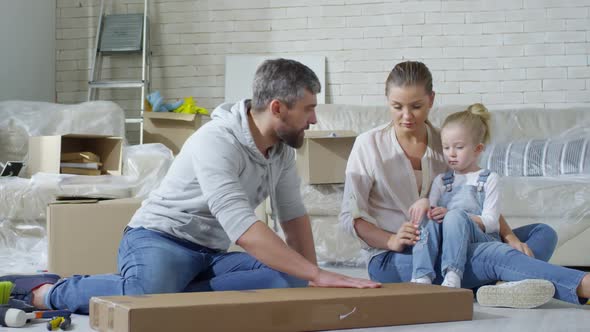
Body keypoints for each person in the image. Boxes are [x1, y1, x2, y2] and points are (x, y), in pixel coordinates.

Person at [2, 58, 379, 315]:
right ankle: (49, 290)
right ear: (278, 108)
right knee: (145, 297)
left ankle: (175, 295)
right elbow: (242, 228)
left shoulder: (280, 151)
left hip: (211, 254)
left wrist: (310, 275)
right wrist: (317, 274)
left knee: (292, 280)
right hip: (159, 238)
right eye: (308, 109)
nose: (314, 119)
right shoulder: (216, 140)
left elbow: (294, 218)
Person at [339, 60, 590, 308]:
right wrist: (391, 239)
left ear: (432, 99)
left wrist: (509, 235)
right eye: (396, 106)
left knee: (542, 233)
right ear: (387, 101)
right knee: (494, 254)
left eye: (416, 106)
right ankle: (581, 285)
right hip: (395, 259)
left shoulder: (447, 144)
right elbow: (350, 216)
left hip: (454, 243)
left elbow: (473, 192)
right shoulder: (367, 145)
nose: (406, 116)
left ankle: (500, 283)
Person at [410, 103, 502, 289]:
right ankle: (421, 275)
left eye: (459, 147)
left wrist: (457, 216)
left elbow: (492, 222)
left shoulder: (489, 179)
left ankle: (453, 274)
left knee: (453, 215)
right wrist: (425, 202)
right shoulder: (441, 181)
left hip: (480, 238)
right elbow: (432, 219)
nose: (451, 154)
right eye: (446, 147)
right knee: (428, 218)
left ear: (477, 149)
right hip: (449, 239)